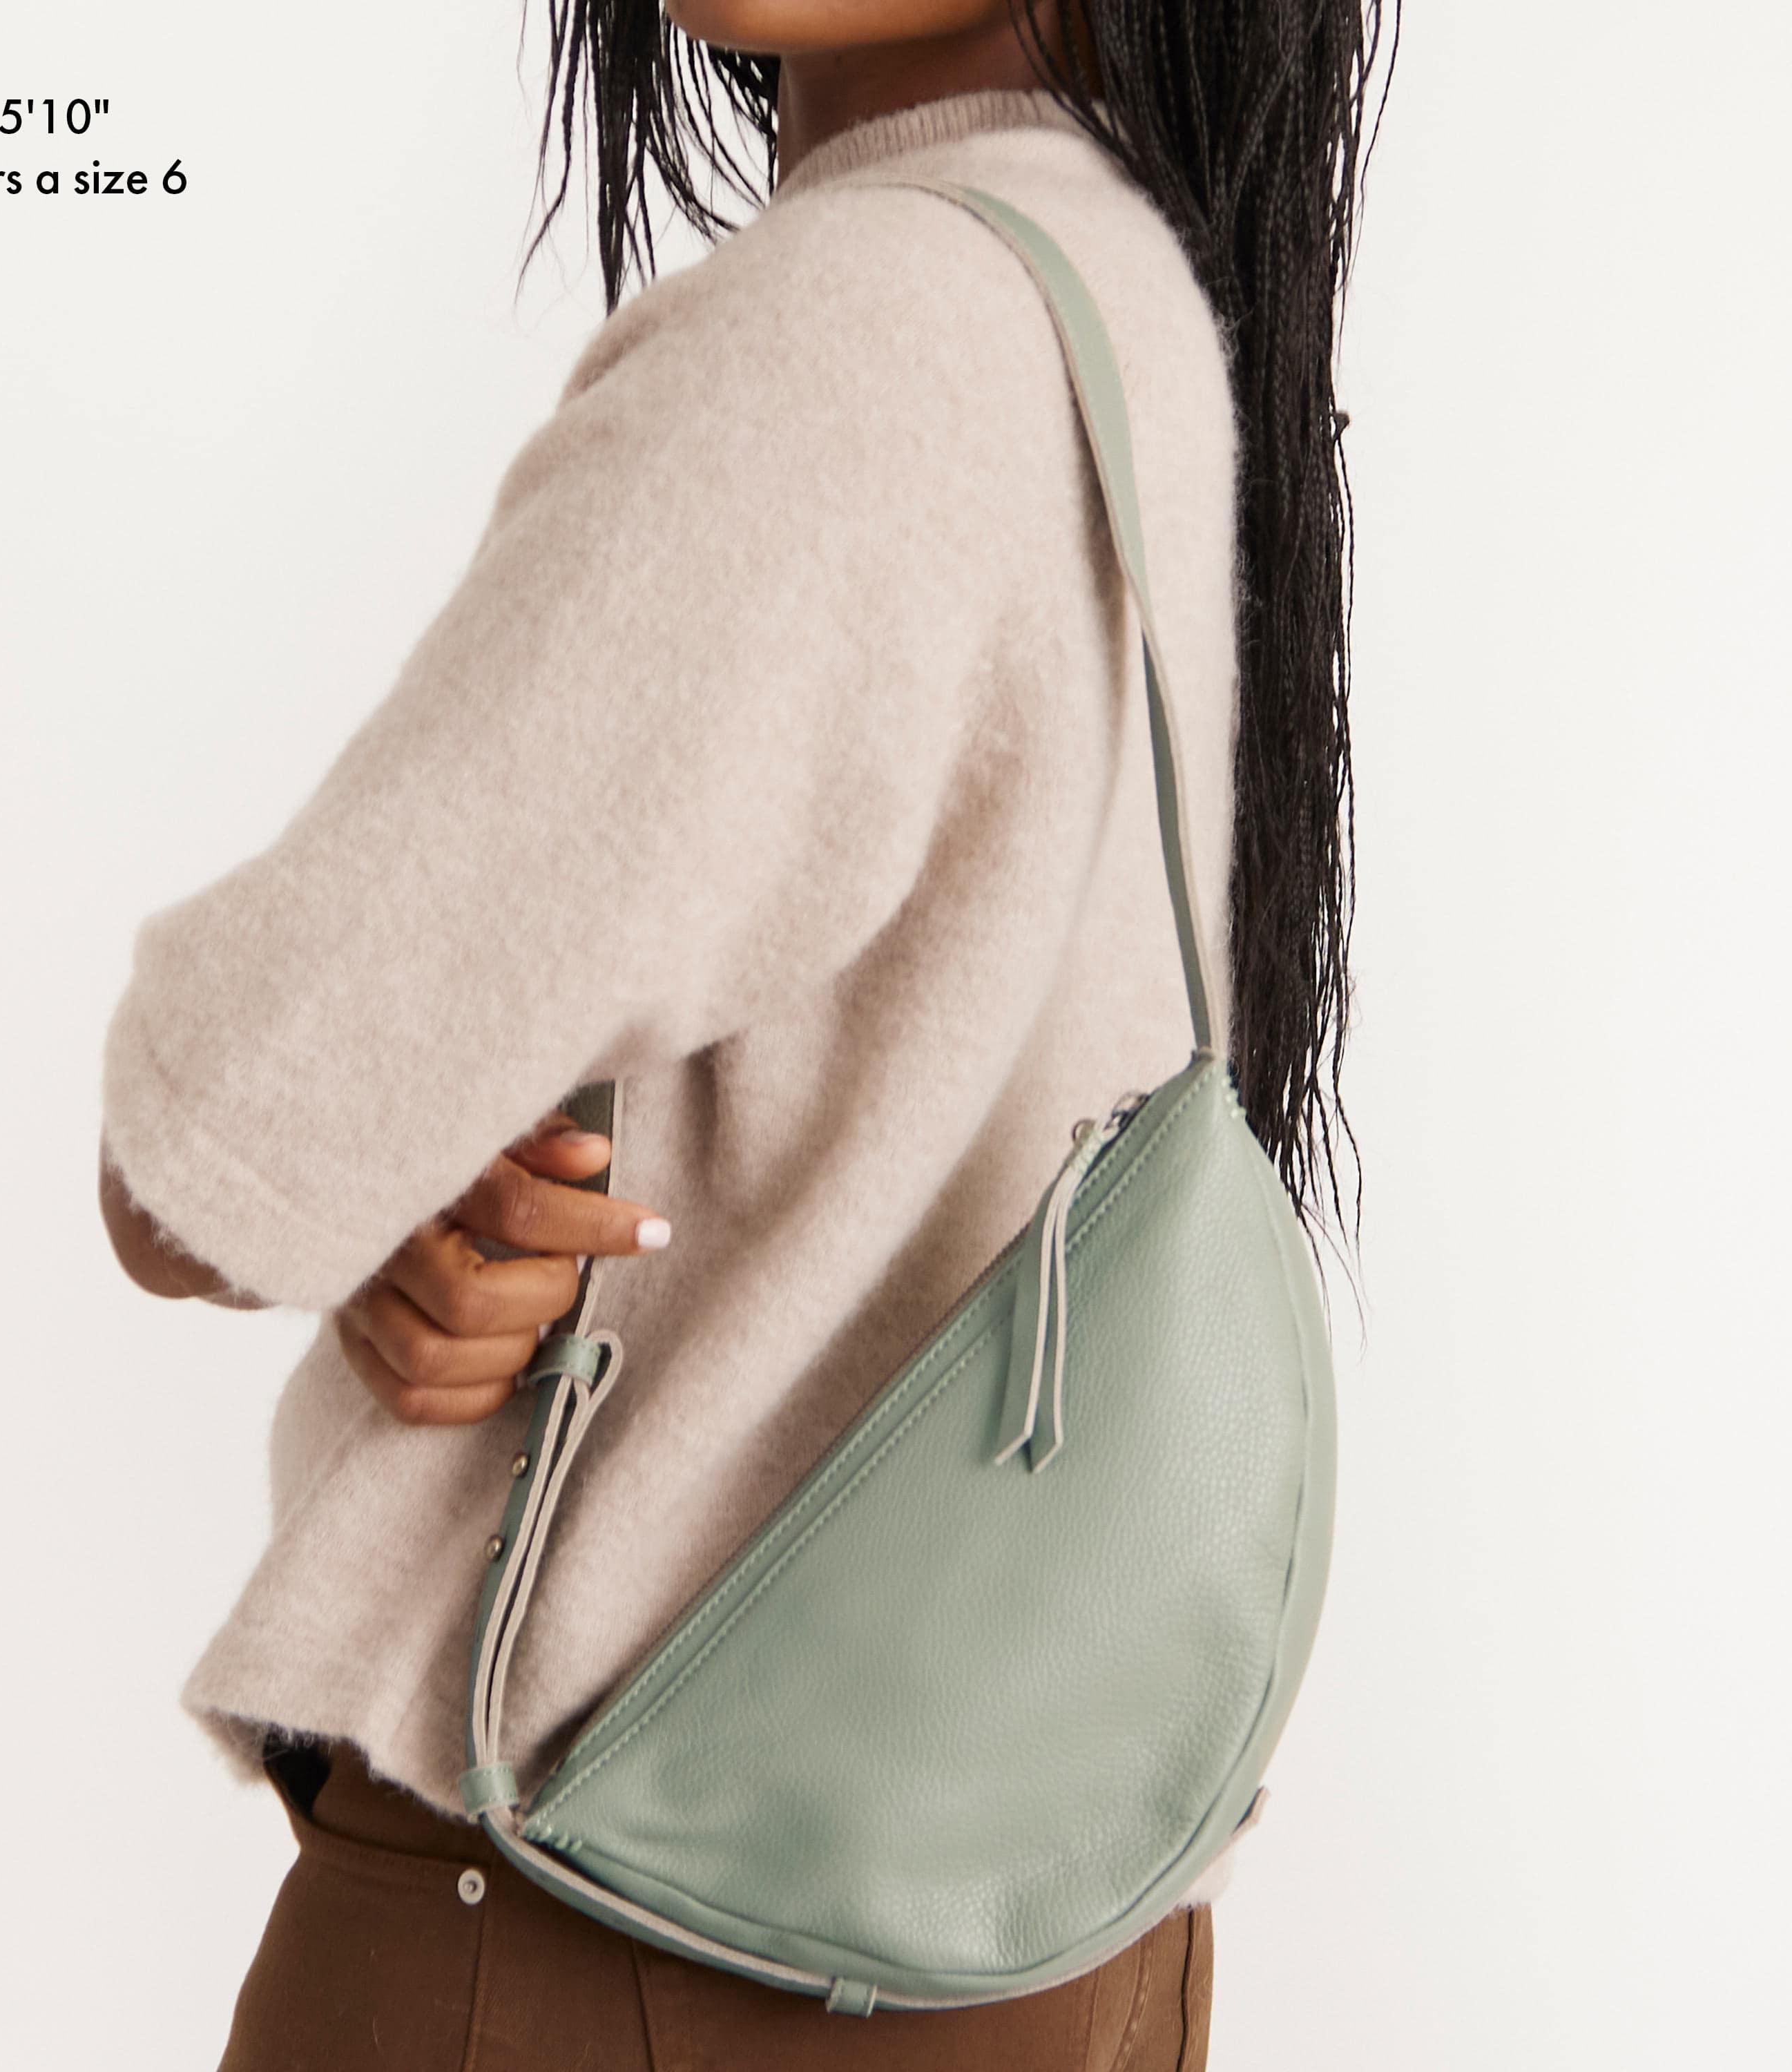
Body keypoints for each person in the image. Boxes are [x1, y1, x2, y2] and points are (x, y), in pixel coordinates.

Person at [97, 0, 1388, 2062]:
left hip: (598, 1940)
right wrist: (453, 1193)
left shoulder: (859, 333)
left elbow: (215, 1155)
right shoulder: (1122, 289)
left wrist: (354, 1182)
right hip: (1044, 1945)